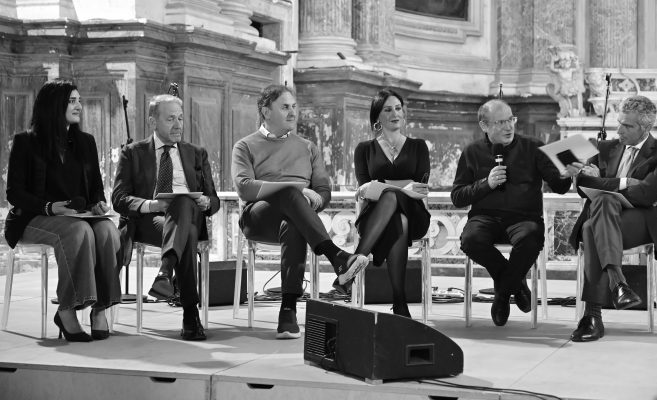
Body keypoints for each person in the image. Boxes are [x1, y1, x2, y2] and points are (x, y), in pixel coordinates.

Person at [232, 84, 368, 339]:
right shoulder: (245, 146)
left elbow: (324, 190)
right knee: (291, 194)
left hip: (297, 218)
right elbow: (244, 189)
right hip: (258, 217)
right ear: (266, 111)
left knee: (293, 224)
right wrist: (297, 191)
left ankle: (288, 311)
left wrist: (311, 199)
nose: (292, 112)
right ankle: (336, 256)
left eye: (294, 106)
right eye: (285, 107)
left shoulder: (307, 147)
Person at [4, 80, 121, 342]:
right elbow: (14, 194)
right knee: (78, 231)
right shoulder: (25, 142)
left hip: (74, 217)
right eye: (71, 101)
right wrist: (49, 207)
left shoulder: (86, 142)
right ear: (53, 105)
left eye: (79, 100)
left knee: (107, 230)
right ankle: (67, 310)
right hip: (32, 218)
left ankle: (99, 308)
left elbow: (96, 190)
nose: (79, 106)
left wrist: (98, 204)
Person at [451, 99, 572, 326]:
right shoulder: (472, 152)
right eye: (500, 122)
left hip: (524, 218)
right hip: (484, 218)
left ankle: (502, 294)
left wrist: (567, 175)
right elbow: (457, 197)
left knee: (530, 238)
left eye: (511, 120)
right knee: (470, 240)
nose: (509, 127)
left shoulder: (533, 147)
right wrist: (486, 184)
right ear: (484, 125)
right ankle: (516, 283)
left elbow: (558, 186)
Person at [567, 95, 657, 342]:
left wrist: (604, 184)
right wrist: (625, 183)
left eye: (627, 126)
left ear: (645, 127)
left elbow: (648, 193)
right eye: (619, 123)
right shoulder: (604, 147)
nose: (619, 130)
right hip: (607, 221)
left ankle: (593, 315)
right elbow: (582, 183)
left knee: (598, 212)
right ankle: (619, 286)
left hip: (641, 222)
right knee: (594, 221)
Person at [112, 93, 219, 341]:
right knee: (187, 232)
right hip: (150, 221)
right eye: (171, 119)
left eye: (180, 118)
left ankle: (165, 271)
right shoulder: (133, 153)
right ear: (153, 121)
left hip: (186, 216)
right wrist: (151, 205)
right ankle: (190, 316)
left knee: (183, 203)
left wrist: (205, 202)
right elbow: (118, 199)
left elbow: (214, 201)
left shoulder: (196, 153)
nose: (178, 125)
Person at [352, 89, 430, 318]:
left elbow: (421, 187)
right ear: (378, 117)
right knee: (398, 217)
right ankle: (399, 302)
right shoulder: (364, 149)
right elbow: (365, 188)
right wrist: (393, 187)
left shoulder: (418, 146)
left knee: (395, 201)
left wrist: (386, 186)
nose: (395, 113)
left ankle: (354, 261)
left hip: (415, 212)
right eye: (388, 109)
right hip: (375, 217)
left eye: (398, 108)